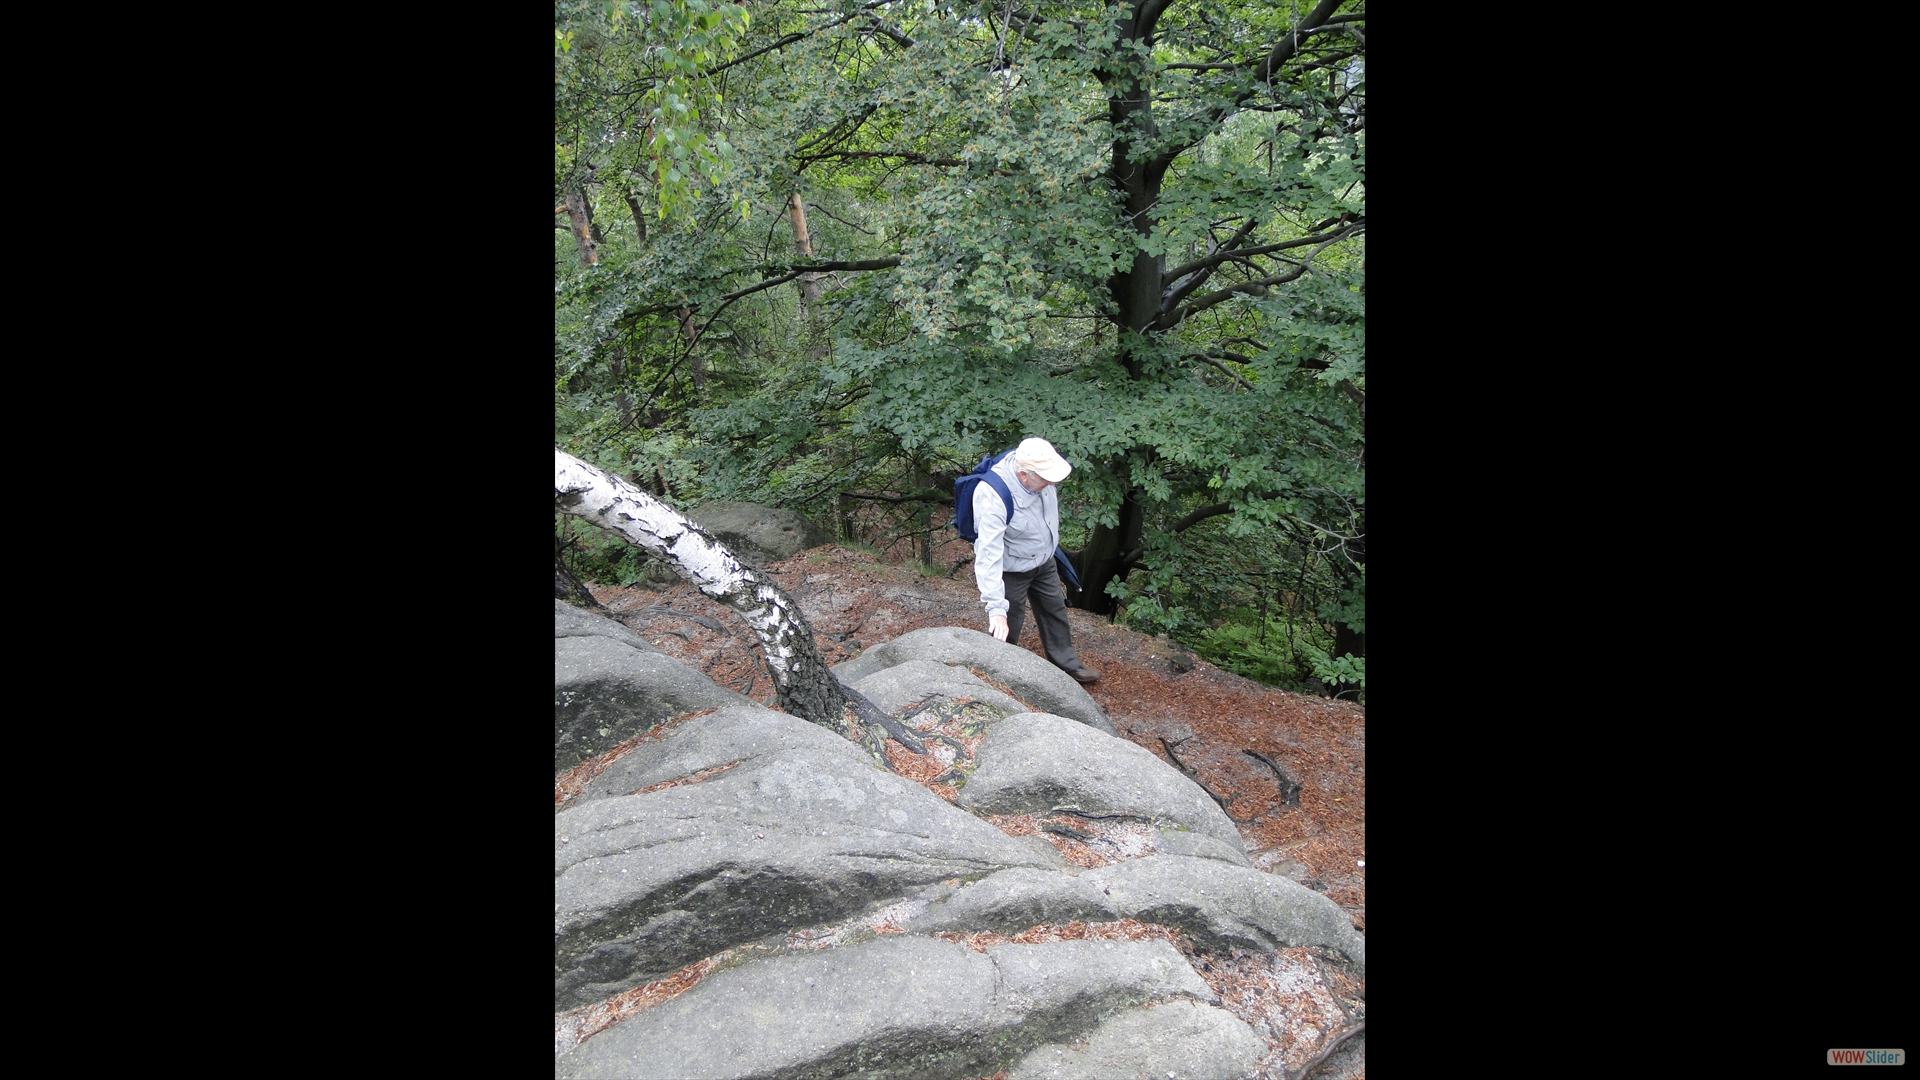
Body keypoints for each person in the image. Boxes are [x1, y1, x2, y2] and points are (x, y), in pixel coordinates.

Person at [971, 437, 1101, 684]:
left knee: (1055, 610)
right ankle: (998, 676)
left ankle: (1068, 665)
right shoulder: (992, 495)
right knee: (1008, 623)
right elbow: (988, 555)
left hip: (1044, 561)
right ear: (1023, 475)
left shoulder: (1038, 473)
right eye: (1046, 478)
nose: (1052, 482)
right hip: (1011, 569)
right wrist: (996, 609)